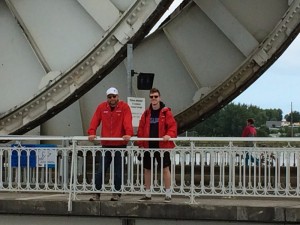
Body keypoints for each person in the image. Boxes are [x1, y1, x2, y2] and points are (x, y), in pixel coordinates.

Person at [87, 87, 133, 201]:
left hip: (120, 144)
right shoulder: (102, 107)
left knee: (118, 171)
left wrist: (128, 134)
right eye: (109, 97)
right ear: (107, 98)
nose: (112, 99)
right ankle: (96, 193)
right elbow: (95, 120)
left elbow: (128, 121)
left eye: (114, 96)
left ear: (118, 96)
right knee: (101, 170)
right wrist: (91, 132)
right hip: (106, 144)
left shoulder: (124, 107)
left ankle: (116, 193)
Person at [137, 88, 177, 203]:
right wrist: (140, 144)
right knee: (147, 170)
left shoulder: (166, 112)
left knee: (165, 169)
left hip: (162, 146)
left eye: (155, 96)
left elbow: (173, 126)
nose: (153, 99)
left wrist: (169, 135)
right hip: (148, 146)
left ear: (160, 97)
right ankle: (148, 194)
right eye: (151, 97)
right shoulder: (146, 113)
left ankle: (168, 194)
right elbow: (141, 129)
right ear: (149, 98)